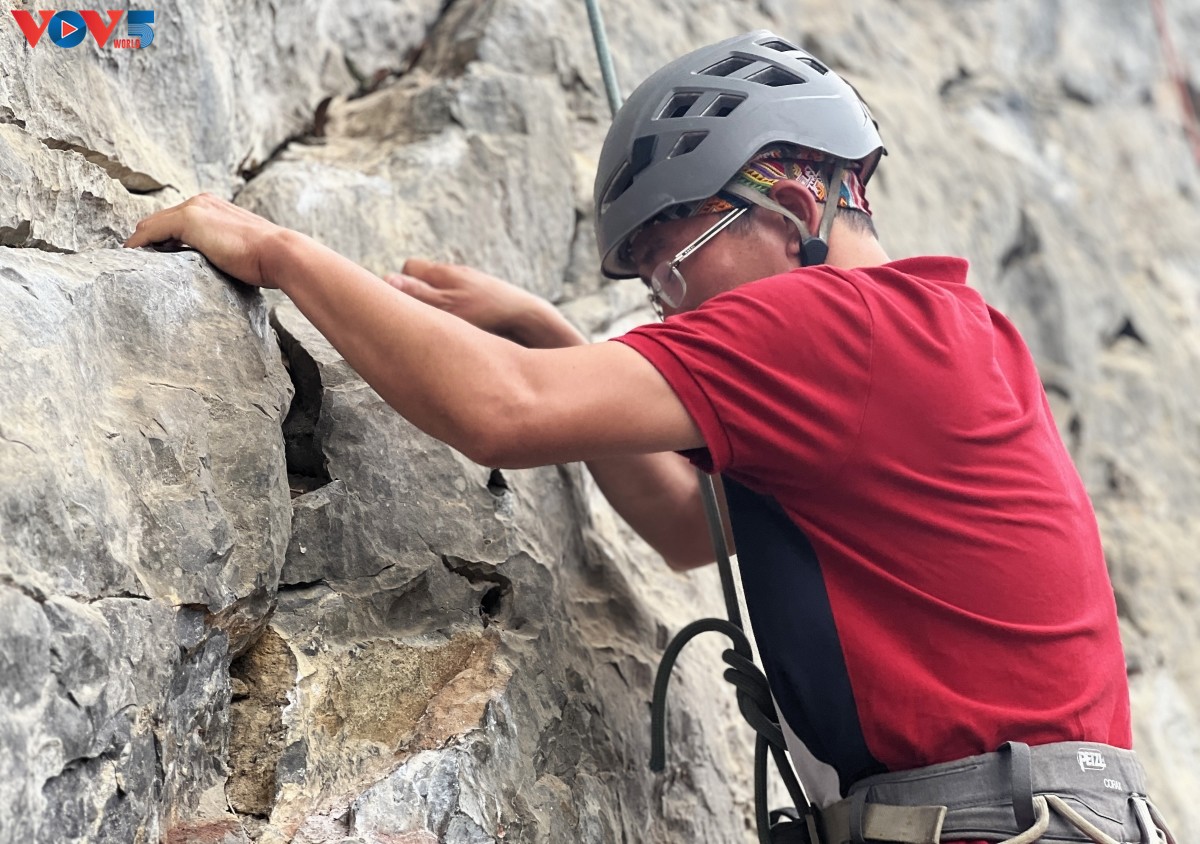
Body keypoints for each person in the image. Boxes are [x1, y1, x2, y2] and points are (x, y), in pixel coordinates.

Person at [127, 30, 1173, 844]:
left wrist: (276, 251)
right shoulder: (945, 333)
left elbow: (502, 410)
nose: (672, 309)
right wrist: (557, 337)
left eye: (677, 266)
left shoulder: (836, 324)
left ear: (792, 207)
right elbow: (685, 524)